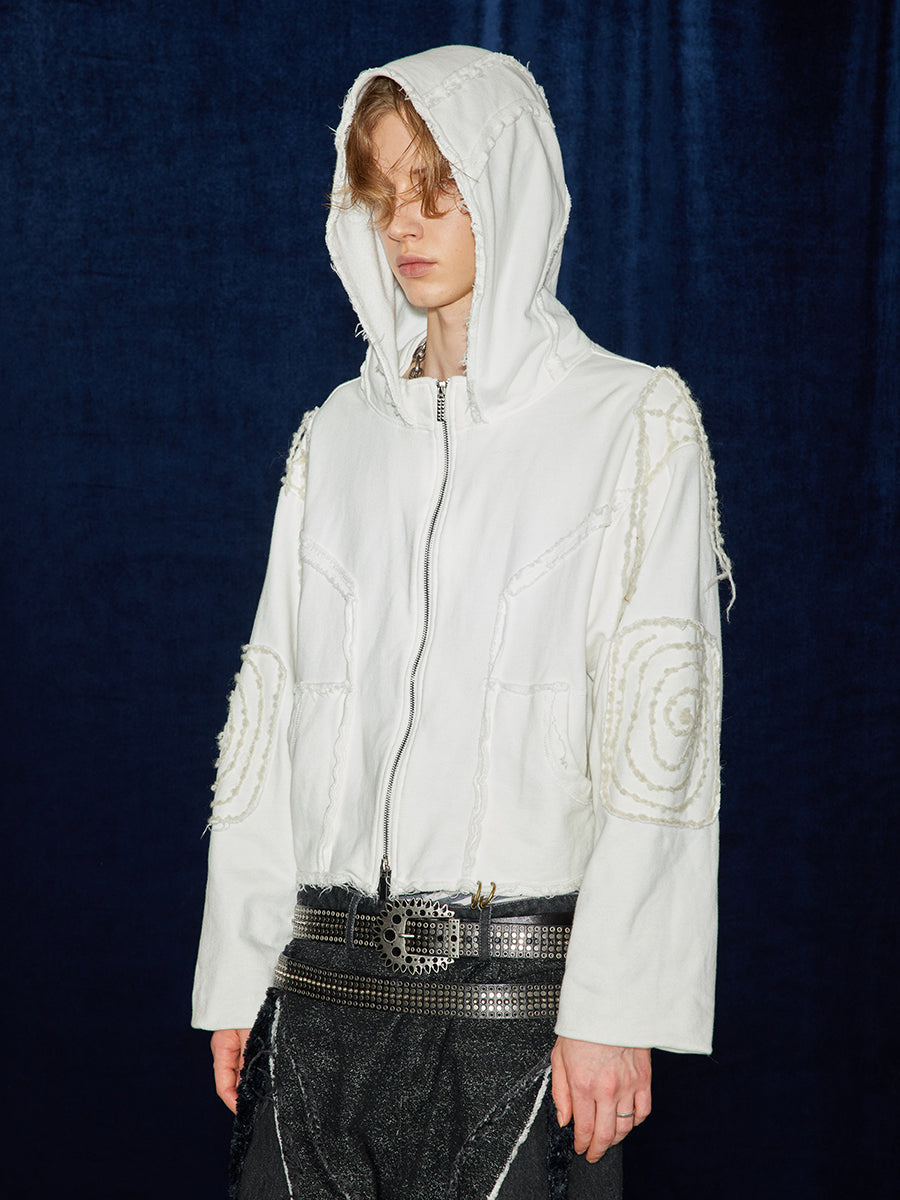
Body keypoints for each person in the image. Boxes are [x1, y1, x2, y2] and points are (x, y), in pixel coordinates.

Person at [192, 45, 732, 1200]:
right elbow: (271, 712)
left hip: (517, 1017)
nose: (406, 222)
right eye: (384, 192)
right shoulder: (335, 438)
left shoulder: (631, 424)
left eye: (439, 187)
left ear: (510, 182)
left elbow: (661, 731)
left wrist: (615, 1005)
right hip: (320, 1001)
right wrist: (239, 972)